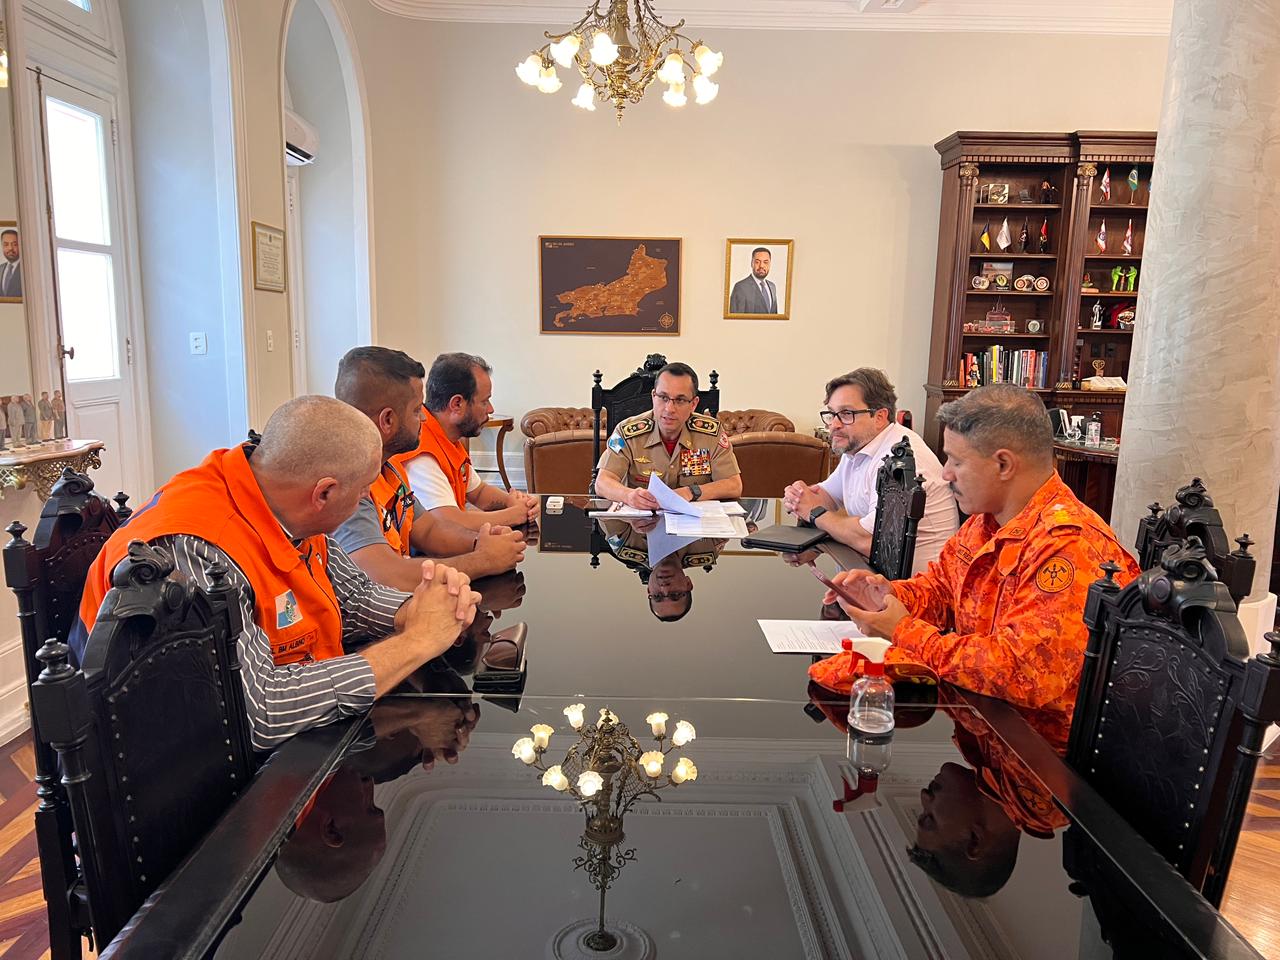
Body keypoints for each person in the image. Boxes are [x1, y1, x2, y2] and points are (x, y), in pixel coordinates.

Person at [71, 395, 483, 753]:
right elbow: (259, 712)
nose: (366, 501)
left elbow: (352, 596)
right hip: (174, 769)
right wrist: (415, 643)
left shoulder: (281, 500)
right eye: (363, 492)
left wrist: (421, 610)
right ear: (324, 493)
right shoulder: (198, 551)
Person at [821, 384, 1140, 752]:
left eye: (956, 461)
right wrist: (885, 593)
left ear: (1003, 465)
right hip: (981, 723)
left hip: (1035, 758)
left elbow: (1019, 673)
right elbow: (942, 589)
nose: (945, 474)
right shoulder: (987, 519)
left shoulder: (1069, 547)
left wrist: (903, 631)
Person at [332, 346, 526, 591]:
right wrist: (483, 560)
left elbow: (429, 530)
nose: (424, 418)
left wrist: (481, 542)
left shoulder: (390, 467)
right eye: (416, 410)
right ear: (388, 420)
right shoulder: (348, 487)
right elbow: (385, 575)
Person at [783, 369, 957, 573]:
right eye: (831, 414)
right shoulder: (857, 448)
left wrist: (814, 513)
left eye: (846, 414)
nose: (834, 425)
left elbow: (871, 541)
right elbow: (827, 496)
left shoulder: (902, 459)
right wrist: (799, 496)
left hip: (916, 587)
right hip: (871, 577)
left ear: (880, 417)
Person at [396, 352, 539, 532]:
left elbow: (479, 492)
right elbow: (448, 523)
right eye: (485, 401)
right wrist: (514, 514)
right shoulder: (422, 454)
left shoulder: (447, 438)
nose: (491, 409)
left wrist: (515, 501)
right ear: (457, 404)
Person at [594, 361, 743, 508]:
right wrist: (628, 496)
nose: (669, 409)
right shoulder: (625, 432)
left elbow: (734, 485)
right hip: (641, 520)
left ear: (693, 404)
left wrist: (691, 492)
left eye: (680, 400)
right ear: (653, 396)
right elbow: (602, 482)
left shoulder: (712, 433)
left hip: (694, 520)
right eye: (663, 398)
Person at [598, 517, 727, 621]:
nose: (664, 588)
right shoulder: (708, 548)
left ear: (649, 589)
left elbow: (603, 505)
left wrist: (629, 517)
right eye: (675, 594)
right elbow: (731, 503)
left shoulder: (626, 545)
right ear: (688, 584)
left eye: (657, 596)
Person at [728, 247, 778, 314]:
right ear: (752, 263)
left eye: (765, 262)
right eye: (757, 262)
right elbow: (735, 318)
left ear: (769, 264)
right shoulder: (740, 287)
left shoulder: (772, 287)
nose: (761, 266)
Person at [0, 229, 21, 299]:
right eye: (6, 244)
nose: (10, 248)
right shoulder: (0, 268)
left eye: (15, 244)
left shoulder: (27, 268)